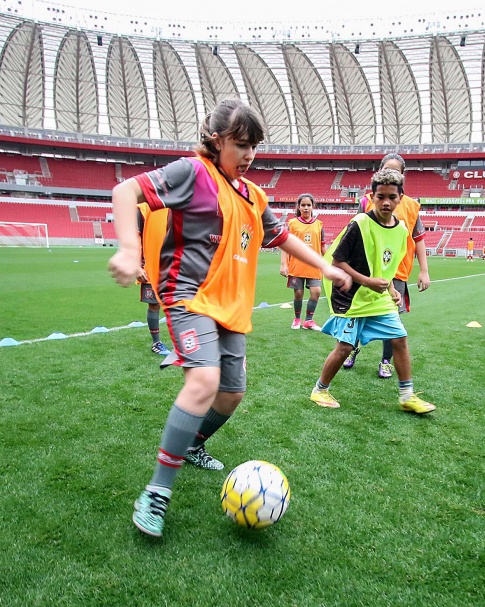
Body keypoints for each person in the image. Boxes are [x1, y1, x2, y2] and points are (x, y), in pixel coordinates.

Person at [108, 98, 351, 537]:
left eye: (254, 146)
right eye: (241, 145)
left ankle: (193, 444)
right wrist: (129, 250)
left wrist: (325, 267)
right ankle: (157, 491)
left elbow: (280, 236)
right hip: (188, 296)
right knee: (203, 381)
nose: (249, 155)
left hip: (231, 307)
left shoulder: (253, 195)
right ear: (216, 140)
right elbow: (125, 192)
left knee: (232, 394)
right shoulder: (192, 172)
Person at [310, 168, 435, 415]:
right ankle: (319, 390)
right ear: (372, 197)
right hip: (352, 296)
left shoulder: (401, 230)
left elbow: (386, 265)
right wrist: (367, 282)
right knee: (345, 347)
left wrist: (391, 288)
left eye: (392, 197)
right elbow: (337, 262)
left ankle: (407, 396)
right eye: (381, 197)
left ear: (401, 198)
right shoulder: (360, 224)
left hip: (378, 297)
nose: (386, 202)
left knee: (399, 338)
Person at [342, 153, 430, 377]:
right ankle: (352, 349)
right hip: (367, 271)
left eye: (396, 171)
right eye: (386, 170)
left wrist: (424, 271)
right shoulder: (368, 201)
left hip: (396, 272)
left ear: (403, 176)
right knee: (359, 314)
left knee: (393, 320)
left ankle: (385, 361)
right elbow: (356, 232)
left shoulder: (412, 206)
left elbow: (418, 239)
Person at [280, 193, 325, 330]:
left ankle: (309, 321)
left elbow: (323, 246)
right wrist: (283, 264)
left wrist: (330, 262)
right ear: (298, 207)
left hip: (314, 265)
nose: (306, 208)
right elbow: (284, 244)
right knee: (298, 294)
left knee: (316, 292)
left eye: (308, 205)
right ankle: (297, 319)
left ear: (313, 207)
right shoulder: (292, 224)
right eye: (303, 205)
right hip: (296, 265)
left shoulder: (319, 225)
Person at [137, 202, 171, 356]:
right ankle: (156, 342)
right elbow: (135, 236)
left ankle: (185, 341)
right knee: (154, 304)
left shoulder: (180, 202)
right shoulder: (144, 207)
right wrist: (136, 265)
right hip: (152, 265)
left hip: (176, 264)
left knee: (183, 303)